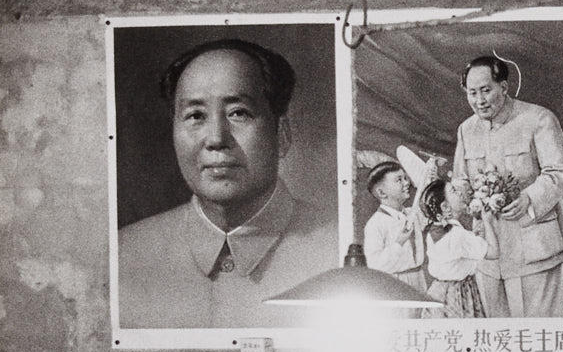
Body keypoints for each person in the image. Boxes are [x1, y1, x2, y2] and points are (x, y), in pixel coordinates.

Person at [117, 37, 338, 329]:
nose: (216, 138)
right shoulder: (124, 253)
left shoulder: (337, 245)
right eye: (196, 116)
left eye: (238, 113)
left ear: (282, 134)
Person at [452, 55, 563, 318]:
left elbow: (560, 172)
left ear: (504, 87)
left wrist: (529, 198)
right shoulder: (466, 129)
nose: (480, 100)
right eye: (472, 93)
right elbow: (461, 180)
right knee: (499, 332)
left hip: (535, 251)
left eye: (486, 90)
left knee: (539, 331)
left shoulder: (539, 119)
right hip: (488, 253)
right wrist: (459, 199)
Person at [418, 179, 492, 318]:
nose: (460, 193)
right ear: (445, 207)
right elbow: (493, 252)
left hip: (438, 292)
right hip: (459, 294)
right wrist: (487, 221)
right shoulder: (458, 234)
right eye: (454, 191)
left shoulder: (435, 230)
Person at [362, 160, 429, 296]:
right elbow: (374, 265)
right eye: (399, 180)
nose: (406, 183)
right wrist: (399, 242)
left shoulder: (412, 213)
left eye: (405, 178)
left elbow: (430, 213)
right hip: (395, 284)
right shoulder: (376, 223)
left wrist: (429, 180)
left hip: (419, 280)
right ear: (382, 192)